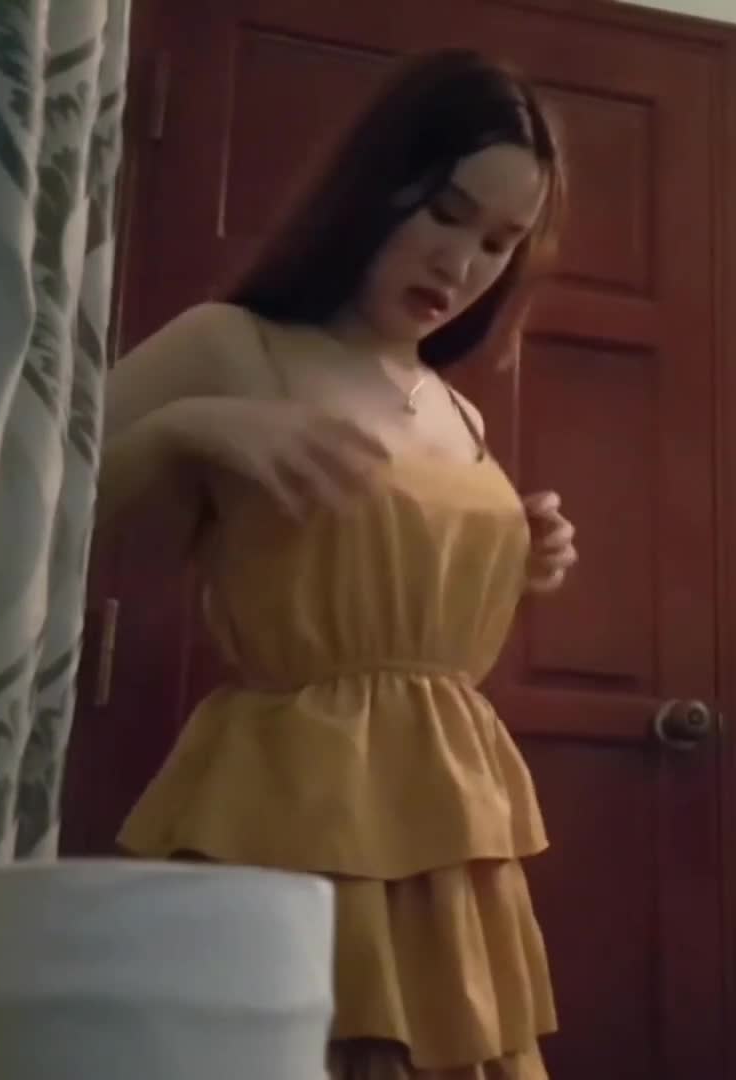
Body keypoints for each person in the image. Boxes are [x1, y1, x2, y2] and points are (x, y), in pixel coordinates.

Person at [92, 48, 577, 1080]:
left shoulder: (457, 408)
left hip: (448, 821)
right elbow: (23, 513)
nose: (462, 263)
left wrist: (514, 549)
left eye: (499, 243)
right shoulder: (235, 345)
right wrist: (190, 428)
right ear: (375, 184)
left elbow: (401, 580)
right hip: (293, 802)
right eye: (445, 212)